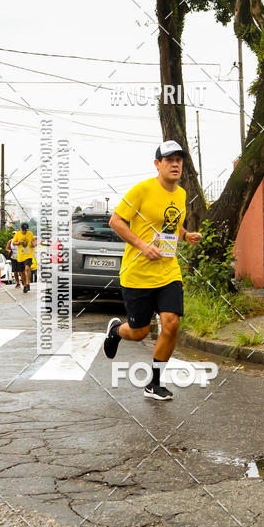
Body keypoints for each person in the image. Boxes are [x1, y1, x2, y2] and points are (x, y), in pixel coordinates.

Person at [103, 140, 202, 400]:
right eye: (169, 160)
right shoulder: (142, 190)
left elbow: (171, 226)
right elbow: (115, 221)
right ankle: (116, 331)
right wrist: (142, 246)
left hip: (168, 271)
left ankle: (154, 383)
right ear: (157, 164)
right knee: (140, 332)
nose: (175, 164)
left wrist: (185, 235)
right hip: (137, 274)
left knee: (171, 323)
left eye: (179, 159)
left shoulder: (181, 194)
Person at [11, 222, 36, 294]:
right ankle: (25, 285)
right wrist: (19, 242)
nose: (25, 231)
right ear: (21, 229)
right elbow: (13, 243)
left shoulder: (30, 233)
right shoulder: (17, 234)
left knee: (27, 268)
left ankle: (27, 283)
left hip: (28, 255)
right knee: (21, 272)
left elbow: (34, 241)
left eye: (26, 230)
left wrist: (33, 244)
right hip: (20, 256)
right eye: (23, 230)